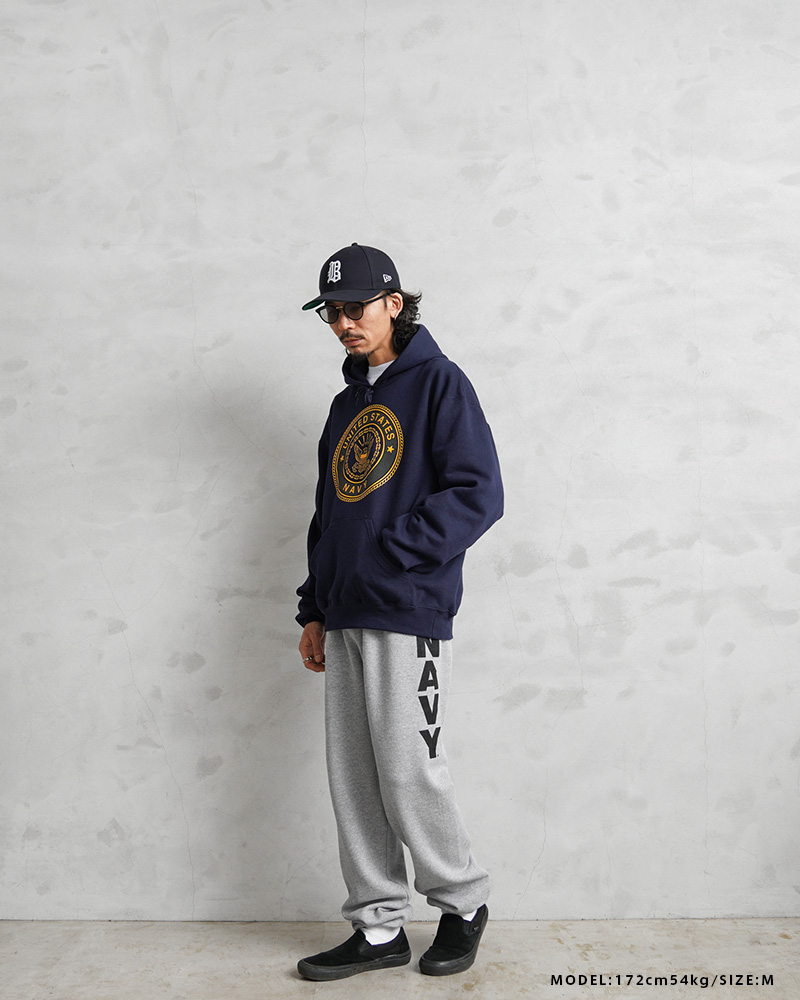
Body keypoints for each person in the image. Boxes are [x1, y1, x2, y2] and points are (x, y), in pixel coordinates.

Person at [294, 243, 503, 981]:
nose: (344, 323)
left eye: (356, 307)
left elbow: (478, 494)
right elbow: (328, 515)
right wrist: (313, 607)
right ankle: (379, 926)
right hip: (345, 611)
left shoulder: (440, 383)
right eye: (332, 312)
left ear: (393, 303)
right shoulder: (346, 405)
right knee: (354, 779)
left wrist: (393, 552)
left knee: (411, 771)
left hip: (405, 608)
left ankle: (462, 903)